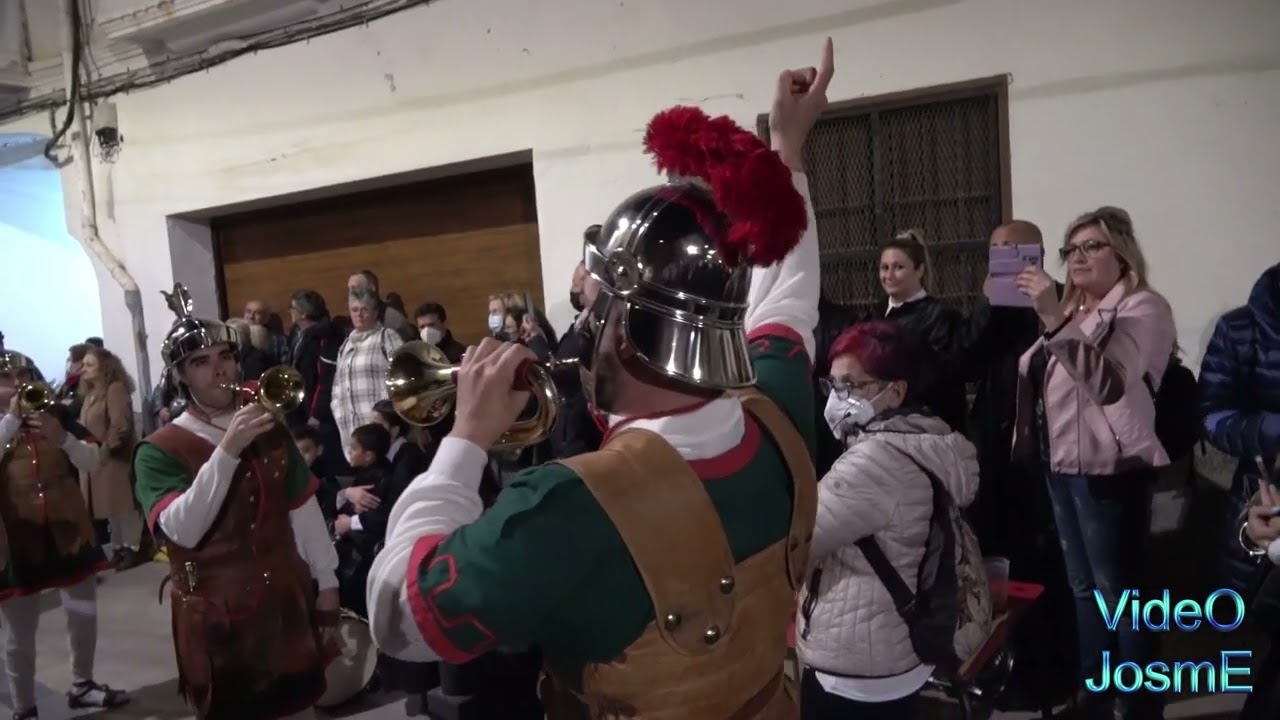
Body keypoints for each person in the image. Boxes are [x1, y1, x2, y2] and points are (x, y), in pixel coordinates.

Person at [366, 39, 832, 719]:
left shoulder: (565, 506)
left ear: (620, 325)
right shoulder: (780, 411)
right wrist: (787, 152)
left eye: (592, 309)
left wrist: (464, 438)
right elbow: (790, 294)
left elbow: (400, 616)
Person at [131, 283, 341, 720]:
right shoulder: (158, 449)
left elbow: (301, 506)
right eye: (201, 363)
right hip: (218, 616)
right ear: (181, 376)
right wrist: (227, 450)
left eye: (225, 357)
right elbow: (182, 530)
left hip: (285, 598)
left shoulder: (266, 422)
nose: (219, 370)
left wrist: (327, 581)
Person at [0, 350, 129, 720]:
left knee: (83, 612)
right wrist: (11, 420)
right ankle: (24, 707)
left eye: (23, 375)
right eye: (7, 378)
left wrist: (64, 439)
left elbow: (93, 460)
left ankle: (83, 685)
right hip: (16, 537)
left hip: (69, 529)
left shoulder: (56, 413)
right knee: (20, 633)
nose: (18, 384)